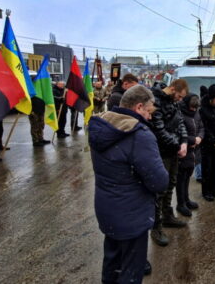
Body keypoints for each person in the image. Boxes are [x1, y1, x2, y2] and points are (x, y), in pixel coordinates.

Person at [88, 85, 169, 283]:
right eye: (149, 112)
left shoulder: (102, 126)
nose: (150, 117)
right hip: (132, 215)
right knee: (131, 270)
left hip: (108, 209)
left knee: (112, 263)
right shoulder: (139, 134)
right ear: (139, 107)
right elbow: (160, 182)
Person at [150, 79, 189, 246]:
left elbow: (180, 122)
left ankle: (167, 216)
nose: (180, 100)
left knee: (171, 183)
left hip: (173, 150)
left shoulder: (174, 103)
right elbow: (159, 129)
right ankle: (156, 227)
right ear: (172, 89)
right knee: (160, 189)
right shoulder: (155, 101)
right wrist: (177, 145)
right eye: (179, 96)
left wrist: (185, 141)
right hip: (161, 152)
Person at [177, 94, 204, 217]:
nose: (194, 110)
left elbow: (201, 127)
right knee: (181, 178)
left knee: (188, 175)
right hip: (184, 151)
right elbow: (179, 133)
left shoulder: (197, 112)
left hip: (194, 151)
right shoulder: (180, 113)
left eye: (195, 108)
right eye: (192, 108)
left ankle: (186, 199)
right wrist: (193, 140)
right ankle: (180, 203)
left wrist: (200, 137)